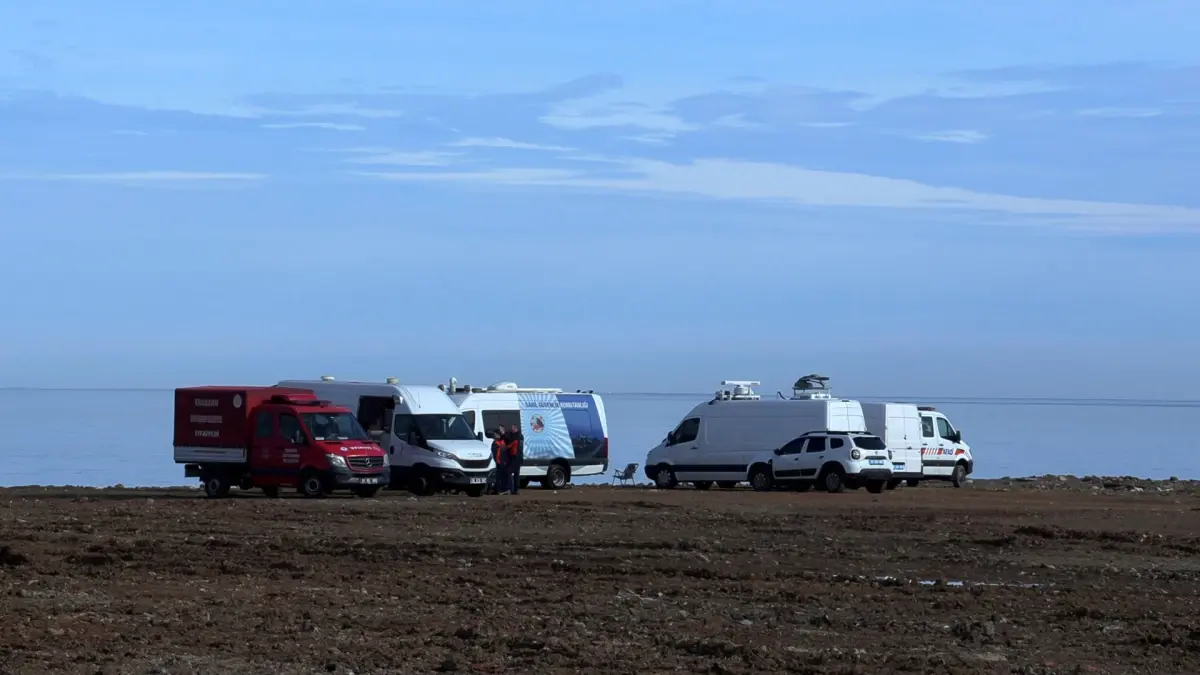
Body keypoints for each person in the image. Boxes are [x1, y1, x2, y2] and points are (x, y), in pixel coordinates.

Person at [506, 423, 524, 494]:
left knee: (511, 472)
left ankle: (512, 489)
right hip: (514, 457)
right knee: (515, 473)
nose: (511, 429)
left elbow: (513, 445)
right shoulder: (516, 436)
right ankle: (515, 489)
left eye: (513, 428)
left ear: (516, 428)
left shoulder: (518, 436)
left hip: (516, 457)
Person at [490, 428, 509, 495]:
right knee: (499, 476)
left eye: (495, 434)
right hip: (500, 462)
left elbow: (497, 453)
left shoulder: (498, 443)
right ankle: (499, 489)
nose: (494, 435)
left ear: (498, 435)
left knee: (499, 476)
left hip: (499, 462)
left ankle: (499, 490)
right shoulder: (500, 442)